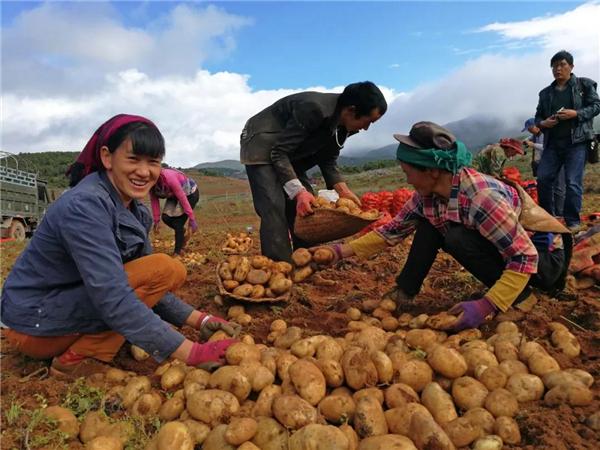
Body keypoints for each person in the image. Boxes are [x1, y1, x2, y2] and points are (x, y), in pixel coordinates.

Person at [0, 114, 239, 378]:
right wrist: (190, 352)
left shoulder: (136, 212)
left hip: (62, 311)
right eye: (133, 159)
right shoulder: (85, 206)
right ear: (106, 157)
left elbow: (146, 286)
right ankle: (79, 359)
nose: (144, 172)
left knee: (165, 271)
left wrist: (200, 321)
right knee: (164, 268)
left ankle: (86, 346)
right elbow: (113, 296)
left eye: (153, 162)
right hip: (33, 326)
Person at [315, 122, 572, 330]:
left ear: (432, 171)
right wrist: (338, 252)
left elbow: (524, 256)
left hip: (543, 262)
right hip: (510, 252)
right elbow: (392, 231)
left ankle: (522, 298)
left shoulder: (481, 198)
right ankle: (404, 292)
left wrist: (488, 305)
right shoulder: (428, 195)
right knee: (430, 225)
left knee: (456, 237)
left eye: (408, 172)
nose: (406, 178)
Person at [240, 81, 387, 263]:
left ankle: (305, 257)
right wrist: (298, 191)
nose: (366, 128)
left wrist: (343, 191)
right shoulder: (314, 109)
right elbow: (278, 152)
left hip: (292, 152)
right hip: (262, 143)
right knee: (273, 205)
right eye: (368, 121)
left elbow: (328, 158)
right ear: (351, 110)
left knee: (308, 205)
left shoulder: (344, 125)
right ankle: (279, 266)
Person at [535, 50, 600, 232]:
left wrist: (576, 114)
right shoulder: (546, 93)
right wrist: (543, 123)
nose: (558, 69)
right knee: (543, 178)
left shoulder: (583, 85)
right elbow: (538, 116)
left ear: (571, 66)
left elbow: (596, 106)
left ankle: (572, 221)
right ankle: (548, 218)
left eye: (562, 65)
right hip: (553, 144)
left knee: (572, 182)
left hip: (576, 143)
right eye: (554, 66)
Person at [150, 167, 199, 255]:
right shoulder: (150, 183)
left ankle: (178, 251)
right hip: (173, 195)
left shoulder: (170, 178)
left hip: (190, 194)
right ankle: (181, 231)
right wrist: (156, 221)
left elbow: (182, 198)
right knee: (166, 217)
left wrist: (192, 218)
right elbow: (154, 201)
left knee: (178, 223)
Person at [522, 117, 565, 216]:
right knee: (549, 188)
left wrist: (532, 145)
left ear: (536, 127)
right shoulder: (536, 135)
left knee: (558, 188)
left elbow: (545, 147)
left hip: (556, 162)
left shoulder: (546, 134)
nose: (529, 131)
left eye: (530, 128)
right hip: (547, 164)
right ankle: (552, 212)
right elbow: (529, 139)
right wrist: (526, 141)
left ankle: (560, 213)